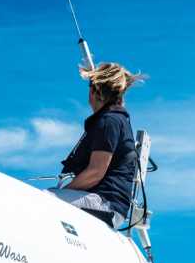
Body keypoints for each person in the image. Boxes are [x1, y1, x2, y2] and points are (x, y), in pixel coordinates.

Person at [53, 63, 145, 227]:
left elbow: (96, 172)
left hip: (106, 203)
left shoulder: (109, 122)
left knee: (45, 200)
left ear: (94, 92)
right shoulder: (117, 120)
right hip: (107, 203)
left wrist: (63, 192)